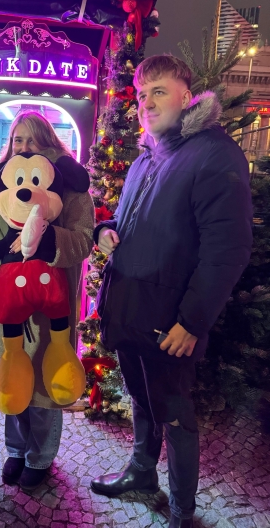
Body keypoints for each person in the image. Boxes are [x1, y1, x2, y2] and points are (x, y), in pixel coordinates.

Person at [90, 55, 253, 528]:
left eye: (158, 91)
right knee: (141, 398)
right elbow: (133, 219)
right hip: (130, 307)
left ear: (186, 95)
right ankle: (142, 473)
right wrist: (106, 229)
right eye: (142, 94)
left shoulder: (214, 154)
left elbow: (228, 249)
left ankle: (182, 509)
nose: (146, 102)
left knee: (176, 413)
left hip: (170, 320)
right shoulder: (148, 156)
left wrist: (192, 321)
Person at [0, 111, 94, 491]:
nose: (23, 147)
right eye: (17, 140)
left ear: (49, 141)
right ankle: (16, 450)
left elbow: (83, 240)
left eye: (32, 139)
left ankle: (41, 455)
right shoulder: (4, 184)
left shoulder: (72, 188)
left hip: (53, 304)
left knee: (47, 385)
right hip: (12, 301)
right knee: (13, 375)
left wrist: (45, 239)